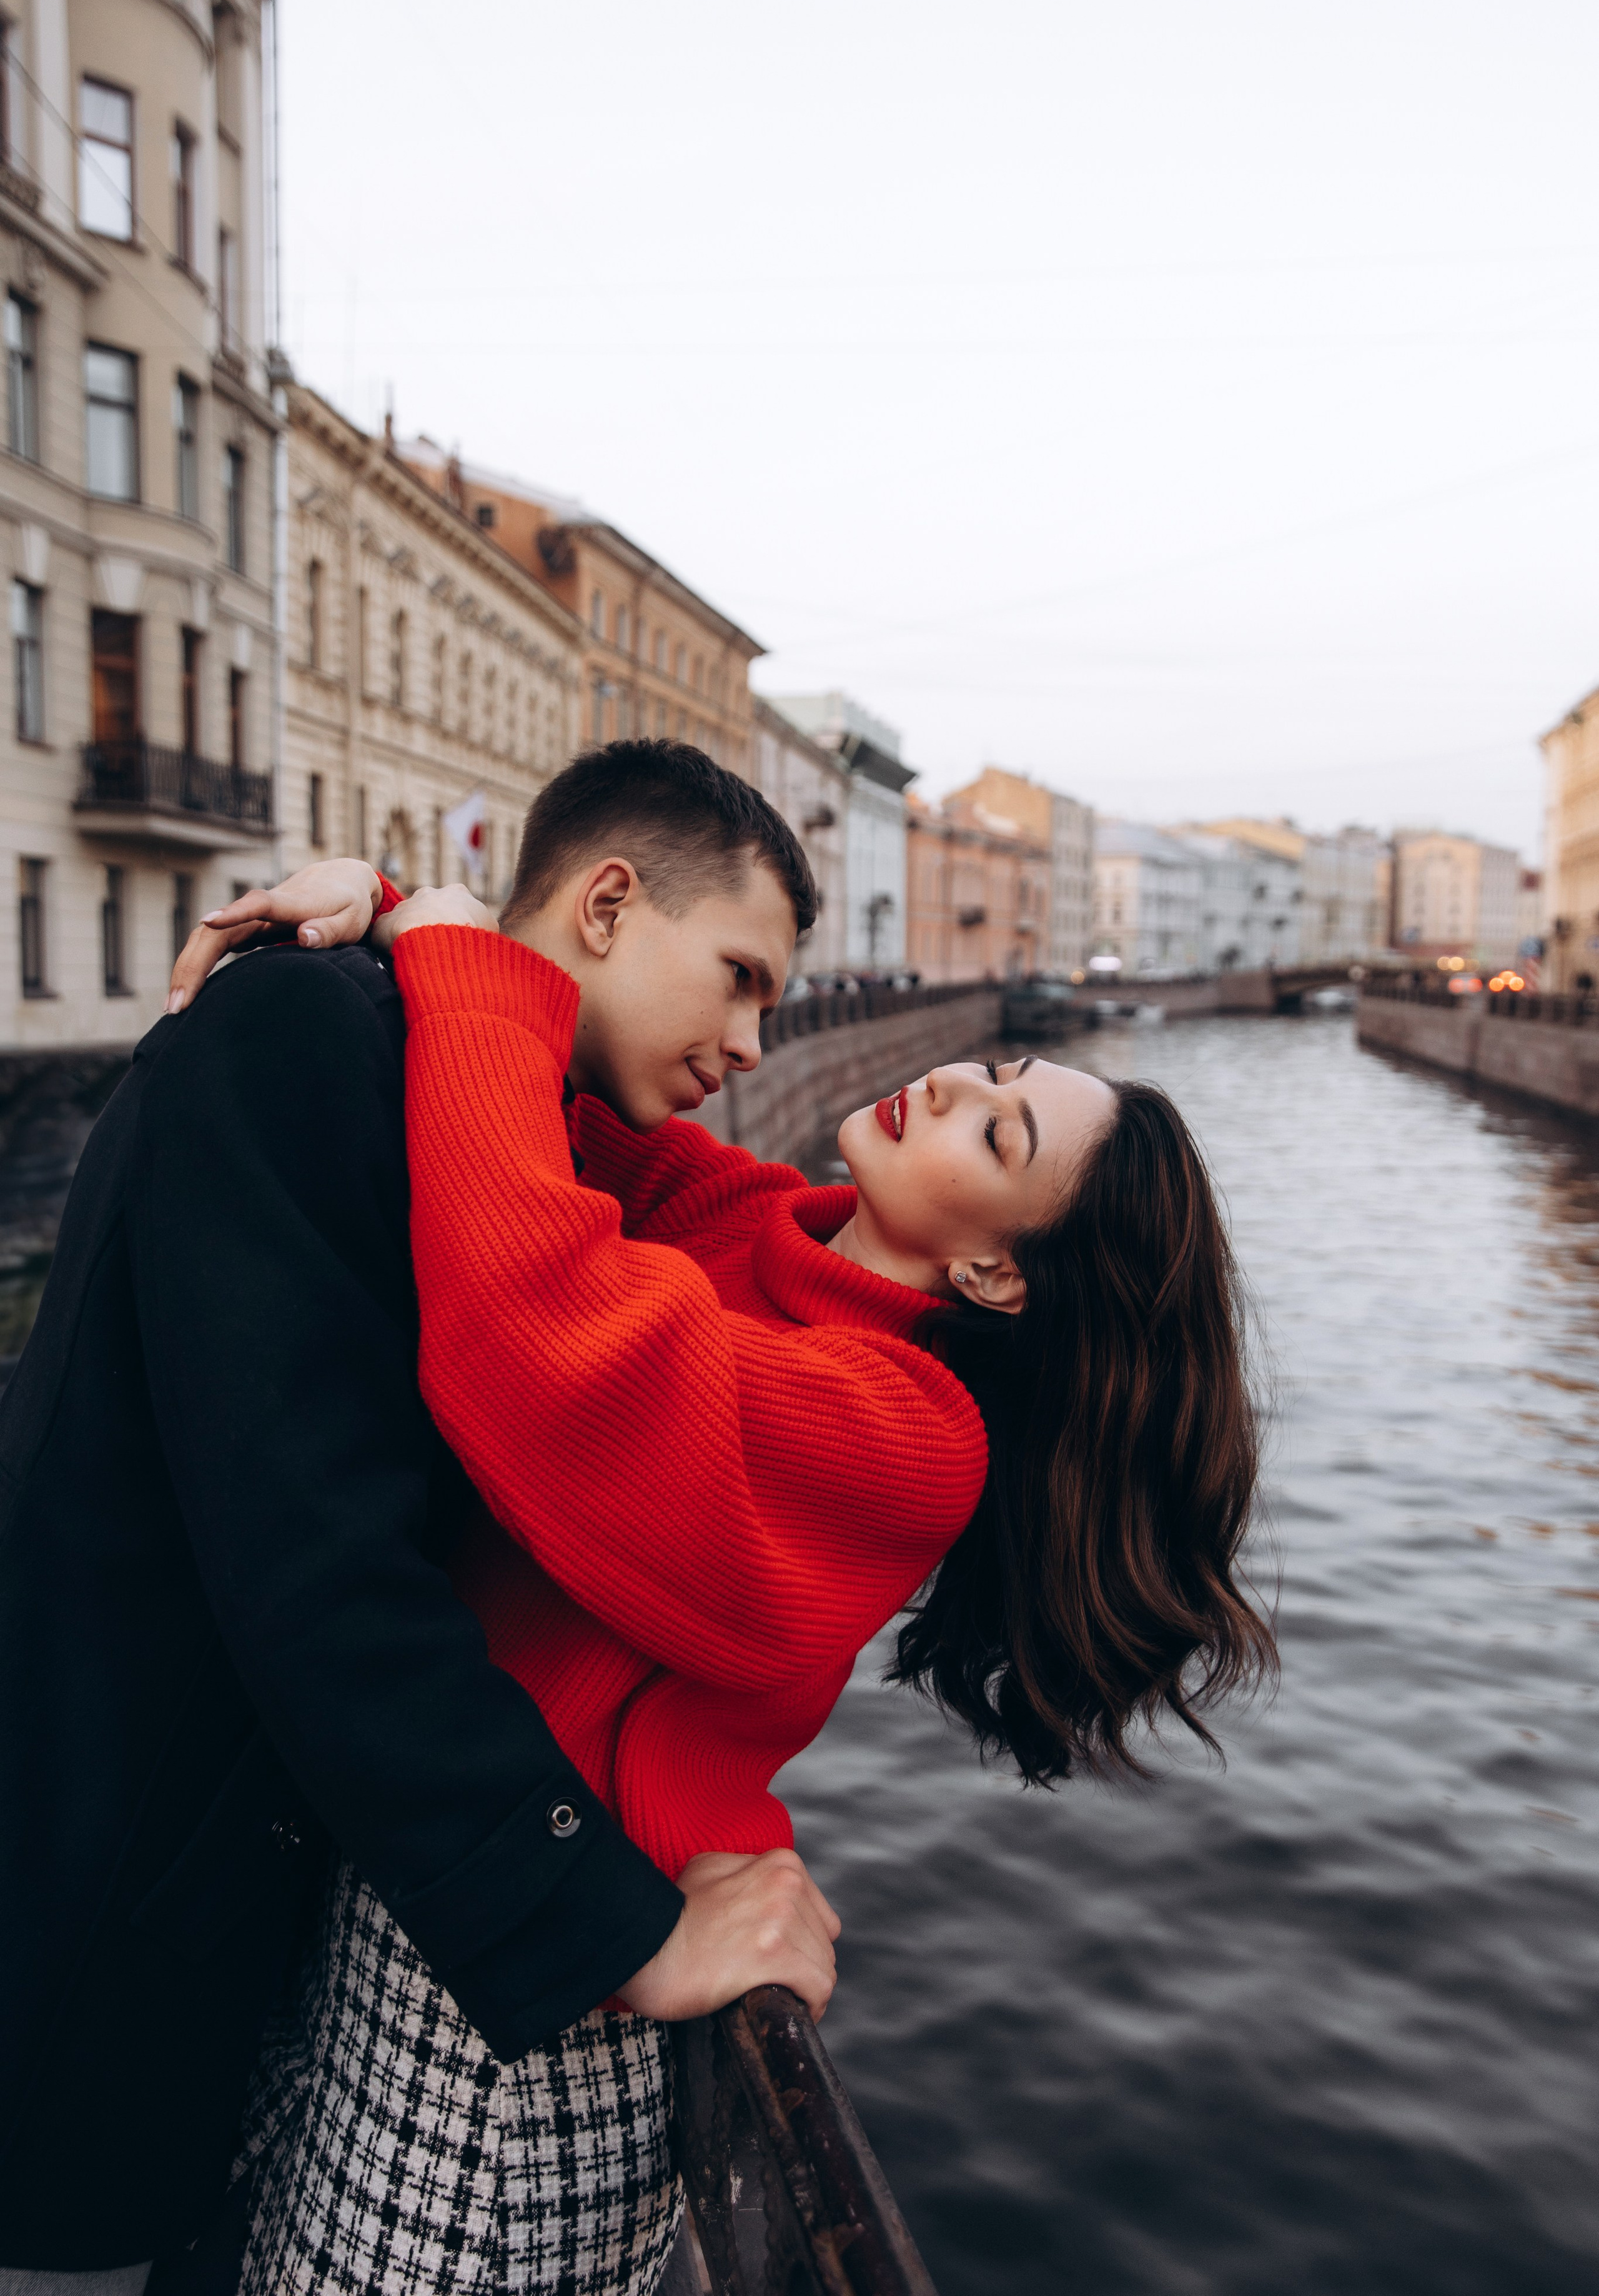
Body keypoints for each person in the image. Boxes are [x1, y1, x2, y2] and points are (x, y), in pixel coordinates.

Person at [179, 748, 1275, 2296]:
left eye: (999, 1137)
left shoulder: (905, 1437)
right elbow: (537, 1075)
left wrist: (444, 943)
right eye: (1003, 1080)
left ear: (997, 1279)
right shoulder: (755, 1226)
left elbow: (528, 1328)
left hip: (541, 2009)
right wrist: (383, 911)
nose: (960, 1081)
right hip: (426, 1891)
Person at [0, 746, 839, 2296]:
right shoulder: (308, 1032)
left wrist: (408, 910)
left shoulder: (442, 1068)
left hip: (181, 1888)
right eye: (738, 978)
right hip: (87, 1900)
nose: (746, 1040)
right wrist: (609, 1930)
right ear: (604, 902)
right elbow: (315, 1561)